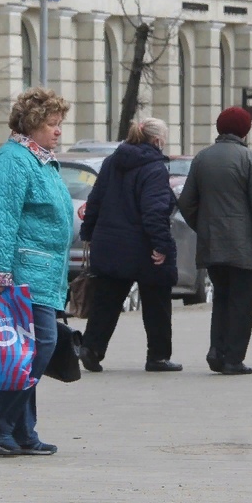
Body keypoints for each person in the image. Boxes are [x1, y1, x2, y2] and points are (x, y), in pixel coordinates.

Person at [0, 88, 74, 456]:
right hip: (20, 274)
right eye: (51, 124)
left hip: (41, 273)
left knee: (26, 351)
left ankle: (22, 431)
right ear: (31, 124)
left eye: (59, 124)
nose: (58, 131)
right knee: (40, 345)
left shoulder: (39, 160)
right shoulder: (11, 162)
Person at [177, 106, 252, 375]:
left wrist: (204, 226)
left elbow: (186, 202)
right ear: (244, 131)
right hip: (242, 248)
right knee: (241, 304)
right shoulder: (249, 159)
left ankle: (216, 351)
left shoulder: (202, 158)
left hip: (212, 244)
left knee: (221, 298)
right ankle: (233, 359)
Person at [77, 117, 182, 374]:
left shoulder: (112, 162)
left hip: (110, 242)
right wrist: (161, 245)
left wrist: (88, 233)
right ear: (157, 140)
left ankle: (91, 348)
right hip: (143, 245)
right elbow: (154, 211)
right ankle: (157, 356)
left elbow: (96, 199)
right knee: (157, 301)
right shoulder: (154, 167)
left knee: (107, 300)